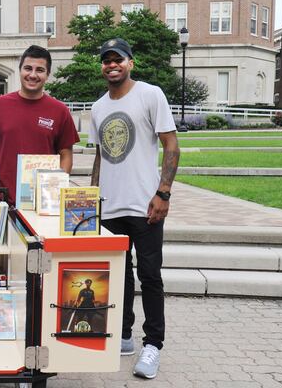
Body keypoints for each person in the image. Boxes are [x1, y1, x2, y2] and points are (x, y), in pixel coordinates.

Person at [88, 38, 180, 380]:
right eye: (107, 60)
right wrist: (92, 198)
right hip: (110, 207)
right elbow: (100, 156)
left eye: (119, 59)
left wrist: (163, 193)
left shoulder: (150, 94)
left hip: (145, 205)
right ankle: (123, 335)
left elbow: (171, 144)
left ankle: (153, 344)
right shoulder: (97, 108)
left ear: (131, 63)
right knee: (119, 275)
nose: (112, 65)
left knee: (150, 276)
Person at [0, 45, 79, 203]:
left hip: (43, 200)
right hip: (3, 198)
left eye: (40, 70)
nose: (33, 75)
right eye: (28, 68)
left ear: (47, 74)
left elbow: (66, 155)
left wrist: (57, 187)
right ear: (20, 70)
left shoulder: (60, 111)